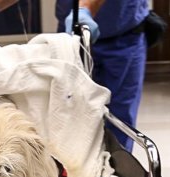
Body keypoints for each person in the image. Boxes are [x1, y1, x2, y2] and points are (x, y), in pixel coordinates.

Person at [56, 0, 149, 152]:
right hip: (71, 35)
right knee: (69, 117)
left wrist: (84, 8)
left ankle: (116, 173)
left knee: (119, 123)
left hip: (123, 37)